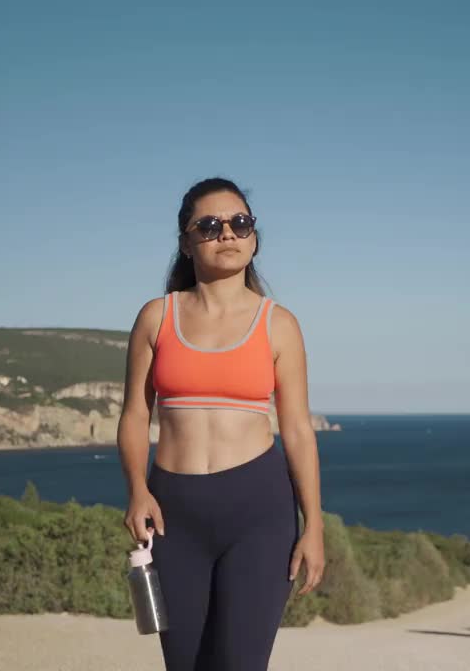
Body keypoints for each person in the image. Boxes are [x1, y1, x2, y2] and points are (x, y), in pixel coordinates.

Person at [118, 178, 326, 671]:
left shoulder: (279, 324)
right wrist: (136, 491)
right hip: (175, 514)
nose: (226, 234)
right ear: (186, 242)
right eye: (209, 226)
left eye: (240, 223)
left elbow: (296, 430)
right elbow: (133, 416)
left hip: (259, 512)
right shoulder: (156, 318)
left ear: (254, 239)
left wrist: (313, 525)